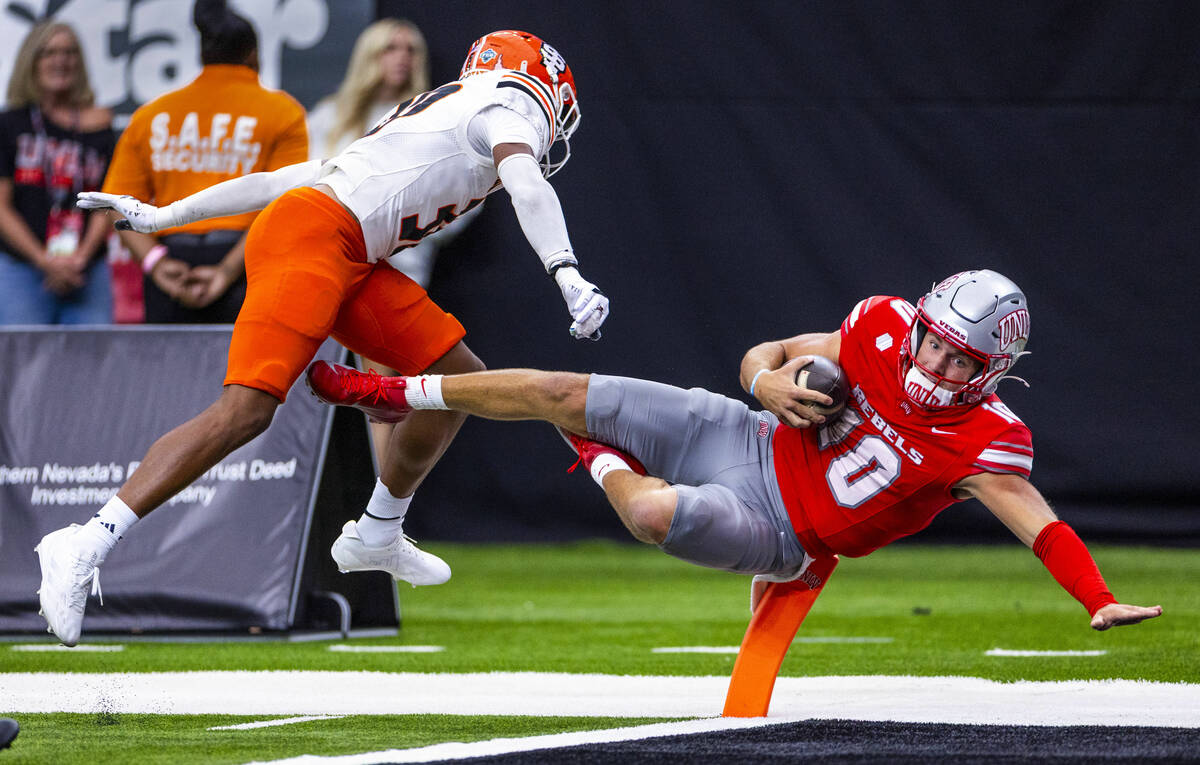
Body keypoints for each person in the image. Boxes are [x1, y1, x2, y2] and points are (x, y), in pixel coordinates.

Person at [36, 30, 605, 647]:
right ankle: (85, 540)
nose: (555, 126)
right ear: (539, 82)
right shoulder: (504, 106)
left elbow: (292, 175)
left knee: (457, 378)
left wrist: (166, 215)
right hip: (312, 238)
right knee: (246, 410)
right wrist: (566, 272)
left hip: (344, 248)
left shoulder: (437, 114)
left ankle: (377, 532)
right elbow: (528, 185)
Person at [305, 269, 1161, 631]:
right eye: (935, 342)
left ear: (992, 369)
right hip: (743, 431)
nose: (935, 361)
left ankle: (596, 453)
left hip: (781, 529)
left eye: (958, 358)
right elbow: (769, 351)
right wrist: (764, 385)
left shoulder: (984, 438)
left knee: (649, 510)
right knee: (563, 387)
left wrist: (1098, 595)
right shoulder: (881, 324)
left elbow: (1039, 523)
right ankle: (389, 392)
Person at [306, 17, 481, 469]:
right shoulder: (329, 119)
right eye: (390, 47)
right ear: (369, 56)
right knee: (378, 386)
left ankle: (386, 507)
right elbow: (309, 192)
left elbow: (470, 191)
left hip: (404, 267)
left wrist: (414, 228)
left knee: (402, 388)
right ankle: (385, 509)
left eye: (411, 48)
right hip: (337, 267)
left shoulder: (436, 117)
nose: (402, 57)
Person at [100, 0, 308, 323]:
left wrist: (155, 262)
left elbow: (116, 203)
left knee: (166, 370)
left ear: (201, 56)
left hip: (171, 263)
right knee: (241, 372)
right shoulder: (284, 113)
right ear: (253, 54)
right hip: (246, 262)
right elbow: (284, 205)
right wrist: (226, 271)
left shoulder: (152, 115)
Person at [0, 21, 115, 325]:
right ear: (31, 61)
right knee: (23, 367)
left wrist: (79, 259)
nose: (60, 61)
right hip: (22, 269)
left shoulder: (100, 125)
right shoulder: (10, 124)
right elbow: (1, 206)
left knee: (94, 364)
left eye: (69, 52)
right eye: (49, 52)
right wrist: (44, 260)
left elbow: (108, 203)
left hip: (87, 271)